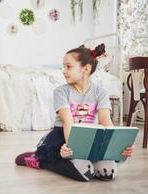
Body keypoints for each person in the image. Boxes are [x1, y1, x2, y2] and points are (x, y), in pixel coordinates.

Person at [15, 44, 134, 182]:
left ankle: (87, 160)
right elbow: (67, 122)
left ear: (86, 69)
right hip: (65, 135)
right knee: (85, 173)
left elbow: (105, 122)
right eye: (63, 67)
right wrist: (71, 148)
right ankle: (43, 161)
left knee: (108, 173)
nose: (63, 71)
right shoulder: (61, 91)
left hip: (91, 136)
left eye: (68, 66)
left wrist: (117, 147)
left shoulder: (101, 92)